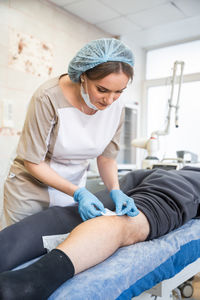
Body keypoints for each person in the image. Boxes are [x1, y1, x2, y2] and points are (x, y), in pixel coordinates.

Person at [0, 166, 200, 299]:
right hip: (187, 186)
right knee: (128, 223)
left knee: (75, 214)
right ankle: (28, 284)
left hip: (150, 175)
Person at [3, 38, 136, 227]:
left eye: (119, 92)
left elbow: (106, 159)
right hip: (30, 189)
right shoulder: (47, 97)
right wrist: (78, 193)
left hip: (71, 189)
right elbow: (33, 161)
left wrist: (115, 189)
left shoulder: (117, 106)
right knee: (20, 249)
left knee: (61, 248)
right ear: (83, 76)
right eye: (102, 90)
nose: (109, 100)